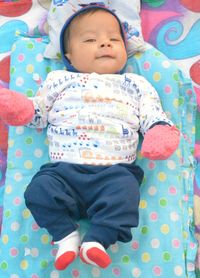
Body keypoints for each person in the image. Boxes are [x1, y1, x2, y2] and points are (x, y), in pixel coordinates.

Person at [0, 4, 180, 271]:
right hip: (63, 171)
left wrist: (160, 133)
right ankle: (65, 235)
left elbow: (153, 116)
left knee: (127, 194)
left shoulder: (136, 84)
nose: (105, 44)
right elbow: (39, 113)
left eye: (114, 39)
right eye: (91, 39)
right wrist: (22, 108)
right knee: (38, 190)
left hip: (115, 172)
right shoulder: (58, 80)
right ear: (69, 55)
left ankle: (97, 240)